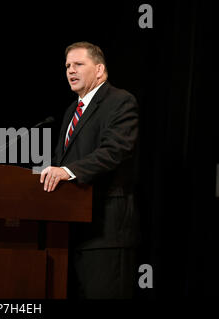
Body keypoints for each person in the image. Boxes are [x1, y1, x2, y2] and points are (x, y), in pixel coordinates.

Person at [40, 41, 140, 299]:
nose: (70, 70)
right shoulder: (72, 110)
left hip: (105, 233)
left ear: (99, 69)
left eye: (78, 64)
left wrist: (67, 172)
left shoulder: (120, 101)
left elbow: (114, 151)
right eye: (67, 66)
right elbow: (59, 160)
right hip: (69, 232)